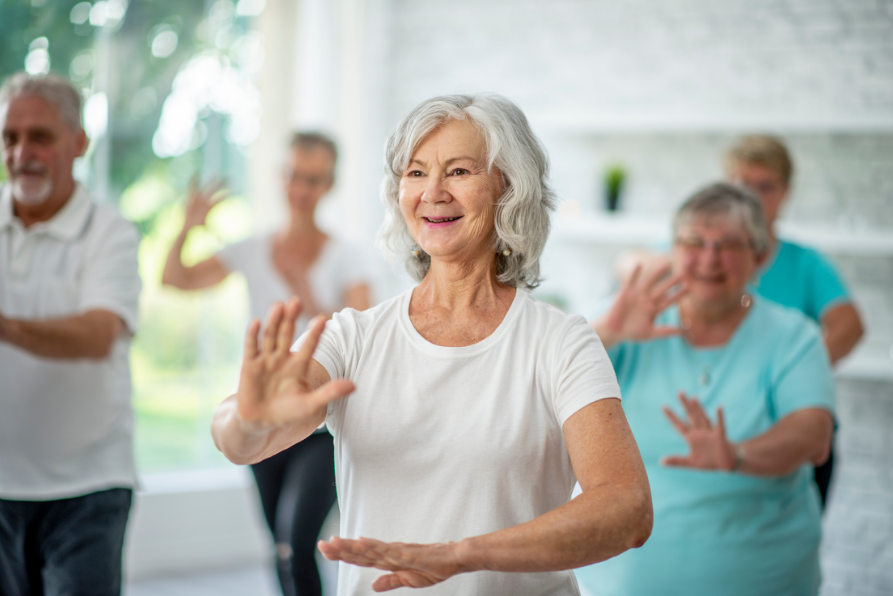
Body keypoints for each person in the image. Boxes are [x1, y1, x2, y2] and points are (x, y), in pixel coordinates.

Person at [211, 93, 653, 595]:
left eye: (460, 171)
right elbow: (238, 440)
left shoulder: (560, 341)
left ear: (509, 186)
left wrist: (461, 556)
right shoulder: (353, 337)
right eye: (416, 173)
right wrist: (247, 418)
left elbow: (627, 507)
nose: (433, 192)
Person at [576, 183, 835, 596]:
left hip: (764, 577)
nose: (710, 258)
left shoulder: (793, 336)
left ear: (760, 257)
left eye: (729, 244)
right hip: (619, 580)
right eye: (694, 241)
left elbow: (813, 435)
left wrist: (737, 455)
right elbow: (540, 384)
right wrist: (609, 332)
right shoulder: (626, 318)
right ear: (671, 248)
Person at [162, 131, 371, 596]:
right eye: (295, 176)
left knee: (298, 542)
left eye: (313, 180)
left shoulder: (348, 257)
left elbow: (366, 336)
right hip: (261, 413)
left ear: (330, 184)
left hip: (322, 424)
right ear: (281, 177)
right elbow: (174, 278)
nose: (301, 190)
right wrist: (188, 225)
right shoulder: (251, 248)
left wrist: (309, 295)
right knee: (278, 546)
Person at [0, 73, 141, 595]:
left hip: (88, 487)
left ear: (78, 142)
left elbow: (99, 333)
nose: (21, 153)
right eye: (9, 138)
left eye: (40, 137)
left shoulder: (111, 233)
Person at [725, 135, 862, 505]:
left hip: (794, 433)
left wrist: (798, 369)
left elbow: (849, 326)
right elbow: (638, 265)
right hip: (725, 435)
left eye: (765, 186)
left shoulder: (806, 263)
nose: (752, 197)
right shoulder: (701, 258)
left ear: (785, 192)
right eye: (741, 185)